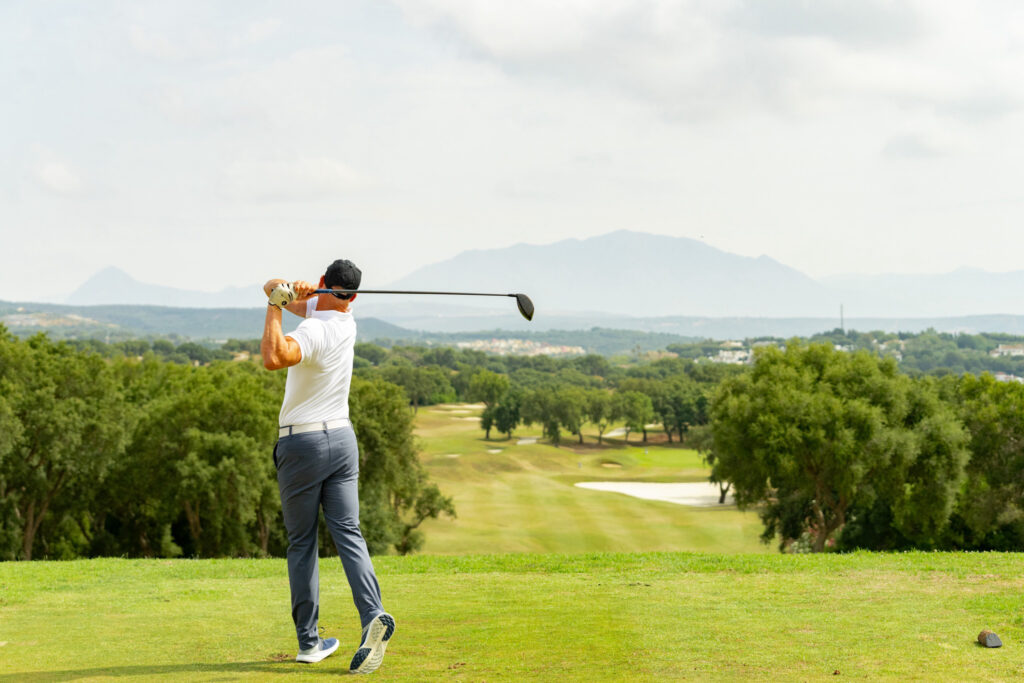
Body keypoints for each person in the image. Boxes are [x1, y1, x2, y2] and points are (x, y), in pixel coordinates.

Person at [261, 259, 395, 674]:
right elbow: (272, 286)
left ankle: (309, 642)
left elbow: (274, 357)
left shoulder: (315, 328)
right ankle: (372, 614)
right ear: (352, 295)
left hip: (302, 444)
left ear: (323, 284)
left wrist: (275, 307)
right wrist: (285, 289)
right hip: (342, 440)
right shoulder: (345, 319)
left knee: (302, 544)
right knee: (348, 533)